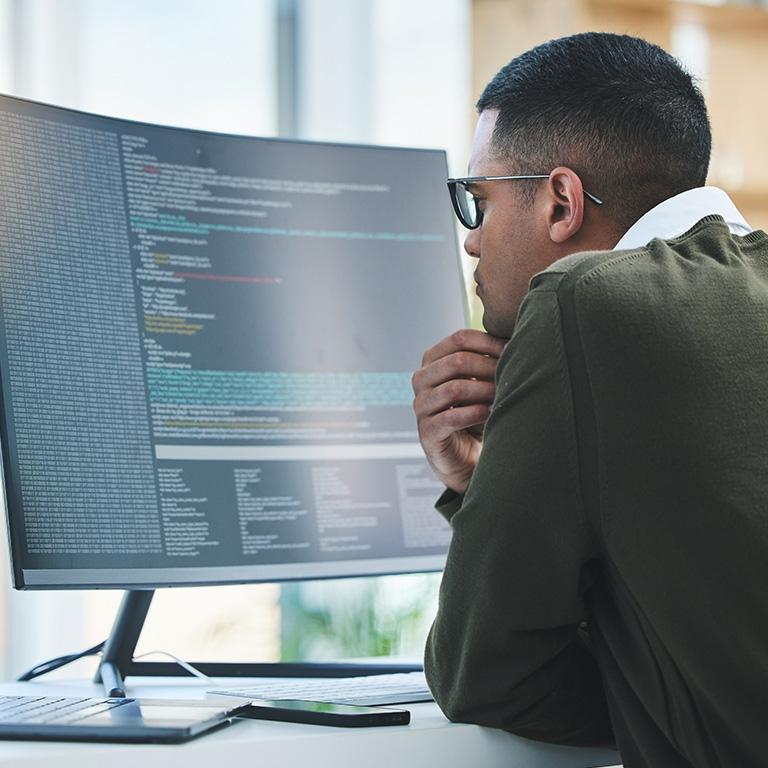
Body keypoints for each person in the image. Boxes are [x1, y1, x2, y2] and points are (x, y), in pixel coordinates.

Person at [412, 32, 768, 768]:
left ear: (562, 201)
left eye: (478, 201)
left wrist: (476, 489)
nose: (472, 244)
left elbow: (482, 677)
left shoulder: (581, 302)